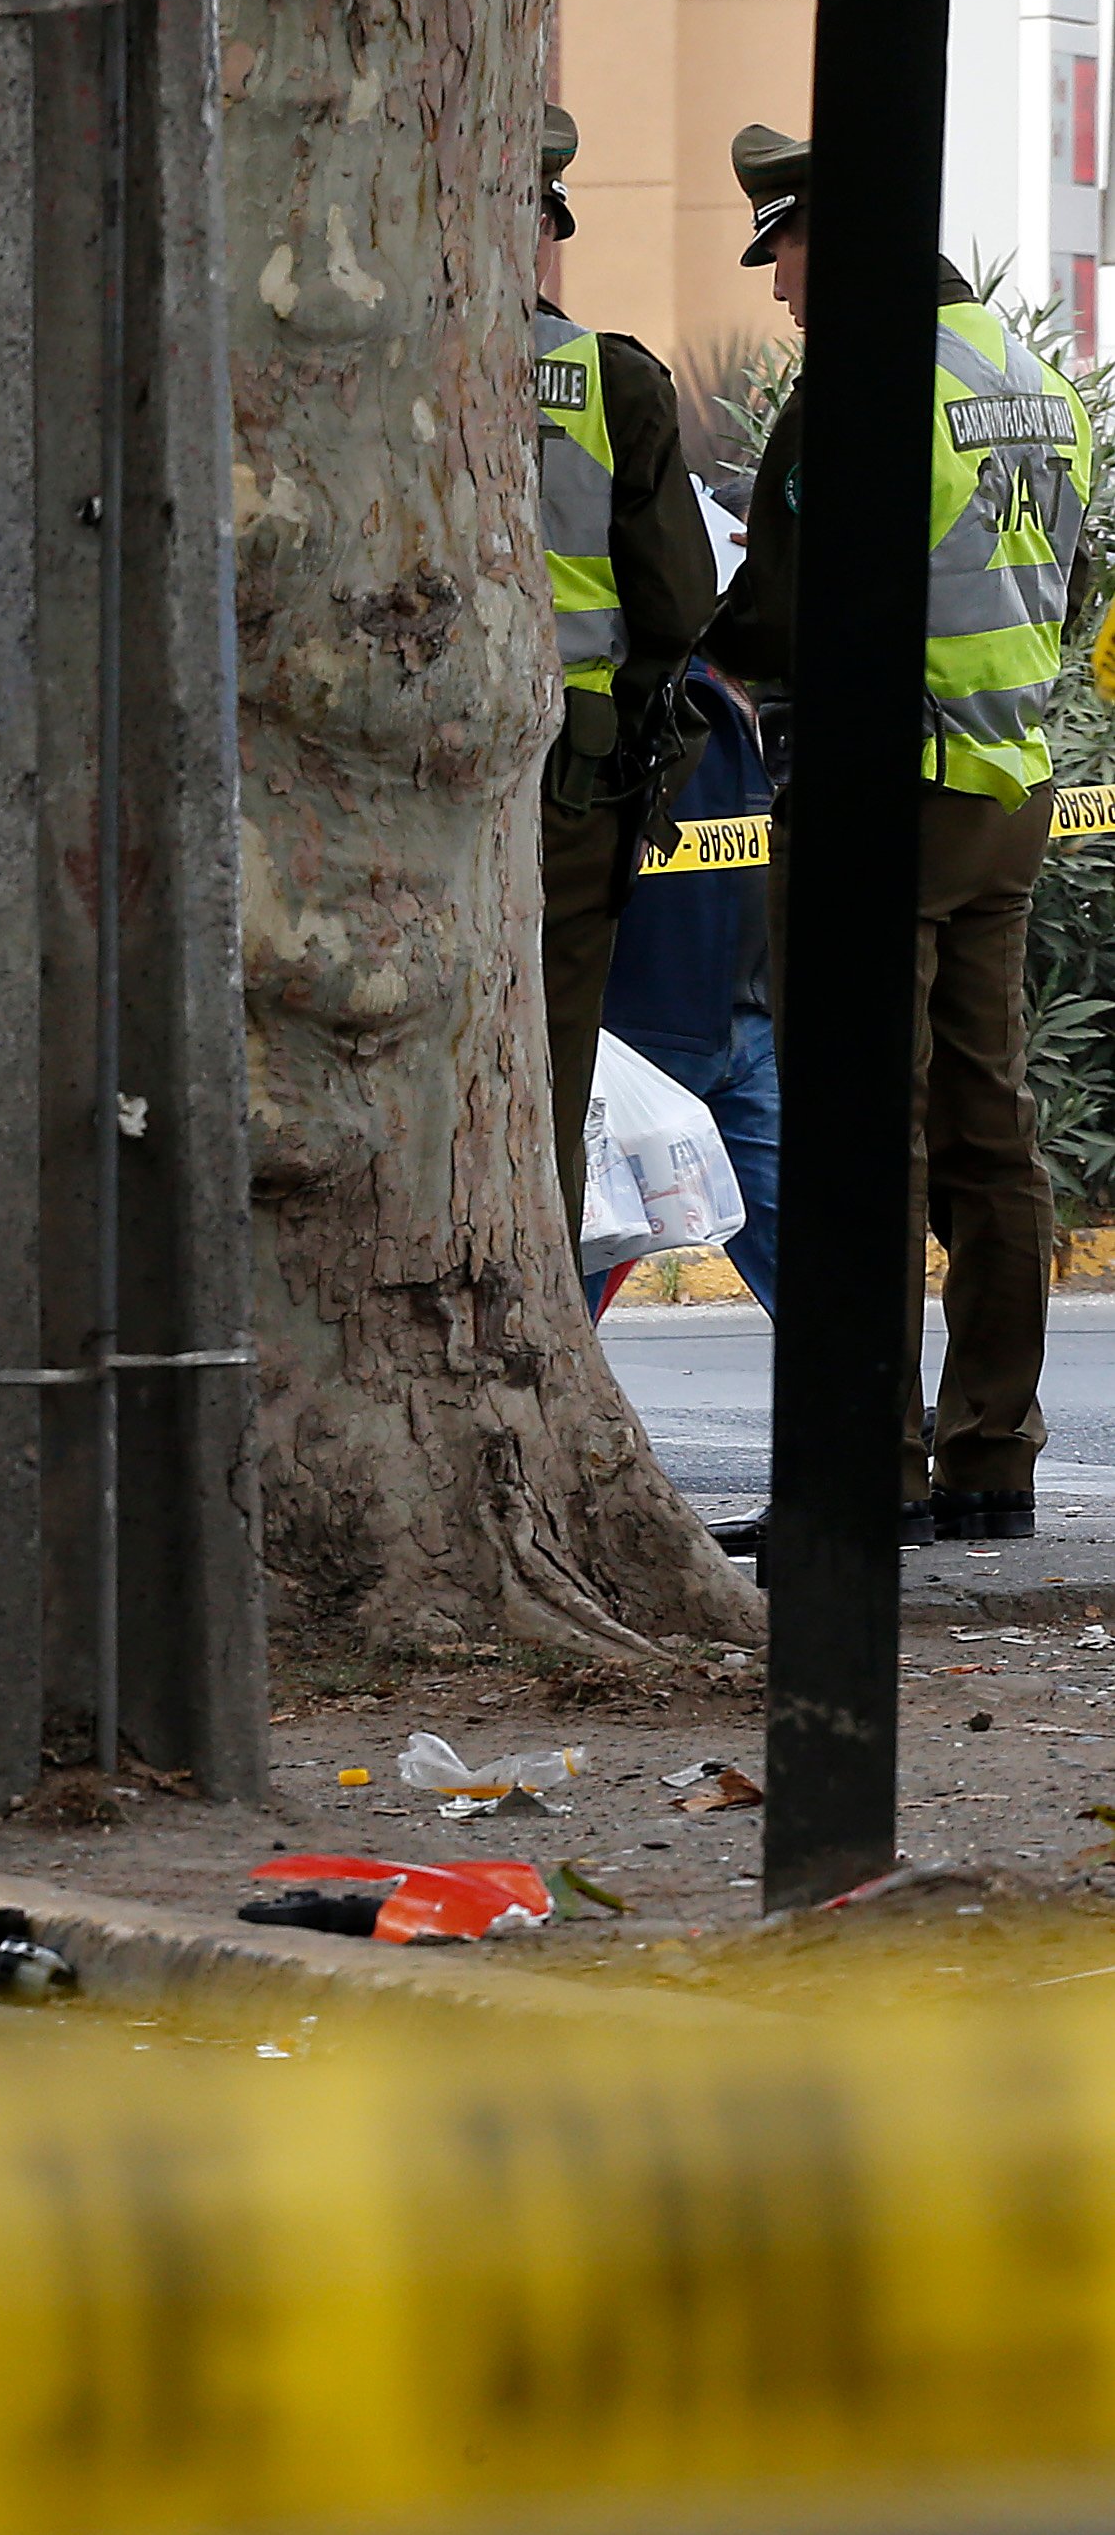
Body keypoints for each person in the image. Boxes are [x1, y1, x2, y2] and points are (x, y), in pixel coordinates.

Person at [707, 120, 1093, 1545]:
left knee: (865, 1122)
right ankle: (993, 1452)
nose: (780, 287)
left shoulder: (866, 385)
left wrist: (697, 648)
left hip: (885, 797)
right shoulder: (1030, 377)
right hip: (1010, 794)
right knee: (990, 1122)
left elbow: (787, 612)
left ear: (840, 236)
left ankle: (865, 1459)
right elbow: (1072, 592)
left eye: (787, 248)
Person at [531, 108, 720, 1215]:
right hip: (569, 787)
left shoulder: (366, 377)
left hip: (381, 793)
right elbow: (677, 606)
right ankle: (532, 1291)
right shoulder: (609, 382)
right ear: (543, 226)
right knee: (549, 1060)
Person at [598, 661, 778, 1318]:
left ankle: (877, 1415)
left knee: (798, 1239)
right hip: (650, 1024)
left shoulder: (766, 697)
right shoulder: (664, 691)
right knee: (595, 1237)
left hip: (750, 1022)